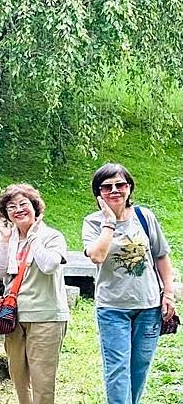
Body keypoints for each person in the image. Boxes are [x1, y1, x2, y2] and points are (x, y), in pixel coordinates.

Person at [82, 162, 176, 404]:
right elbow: (97, 255)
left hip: (149, 306)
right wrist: (109, 222)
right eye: (106, 187)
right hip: (112, 308)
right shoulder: (92, 222)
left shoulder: (144, 217)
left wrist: (169, 294)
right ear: (98, 193)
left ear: (129, 188)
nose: (114, 190)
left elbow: (161, 256)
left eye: (120, 184)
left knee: (139, 368)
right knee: (117, 369)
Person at [0, 183, 69, 404]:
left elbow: (49, 265)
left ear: (35, 207)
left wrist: (32, 237)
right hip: (13, 317)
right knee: (18, 377)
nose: (18, 209)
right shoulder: (7, 238)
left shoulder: (52, 236)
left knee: (42, 381)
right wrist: (5, 239)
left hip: (46, 317)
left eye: (23, 204)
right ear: (6, 214)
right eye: (11, 207)